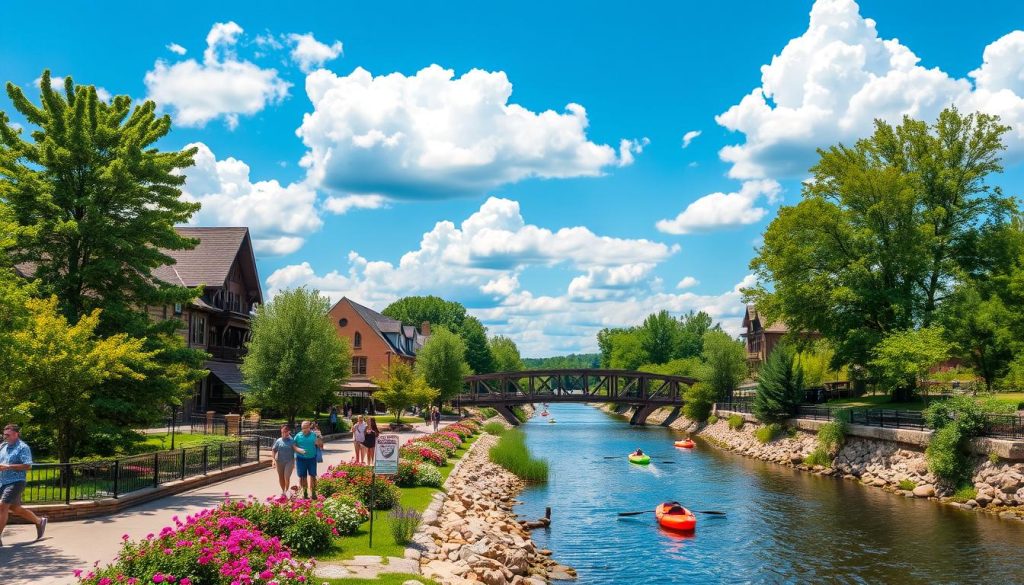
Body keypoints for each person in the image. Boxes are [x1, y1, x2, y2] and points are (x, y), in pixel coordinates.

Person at [0, 424, 46, 546]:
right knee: (14, 508)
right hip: (2, 482)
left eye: (7, 435)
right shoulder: (3, 446)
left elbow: (28, 465)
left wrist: (8, 467)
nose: (5, 437)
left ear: (16, 434)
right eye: (4, 434)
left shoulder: (22, 447)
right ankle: (39, 521)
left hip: (16, 482)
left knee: (2, 507)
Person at [271, 424, 305, 497]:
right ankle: (283, 491)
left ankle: (287, 490)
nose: (284, 433)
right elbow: (274, 450)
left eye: (286, 432)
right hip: (279, 461)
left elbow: (295, 449)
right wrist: (273, 459)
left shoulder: (291, 440)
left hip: (289, 461)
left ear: (289, 432)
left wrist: (301, 452)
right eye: (283, 432)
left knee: (286, 477)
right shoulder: (278, 441)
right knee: (281, 477)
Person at [293, 421, 323, 499]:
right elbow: (293, 445)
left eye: (306, 427)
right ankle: (305, 493)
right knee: (303, 477)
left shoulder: (314, 435)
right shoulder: (298, 435)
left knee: (313, 476)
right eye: (303, 428)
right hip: (301, 459)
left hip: (311, 459)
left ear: (309, 427)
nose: (304, 429)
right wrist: (298, 449)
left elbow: (320, 445)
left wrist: (319, 437)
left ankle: (313, 493)